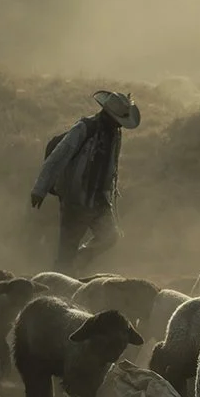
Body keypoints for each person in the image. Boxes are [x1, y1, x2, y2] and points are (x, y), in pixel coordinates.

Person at [31, 89, 141, 273]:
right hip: (76, 200)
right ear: (107, 114)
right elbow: (58, 157)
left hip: (99, 201)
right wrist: (40, 189)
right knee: (66, 252)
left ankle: (80, 259)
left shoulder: (115, 134)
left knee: (110, 236)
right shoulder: (83, 129)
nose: (119, 126)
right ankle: (58, 285)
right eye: (117, 121)